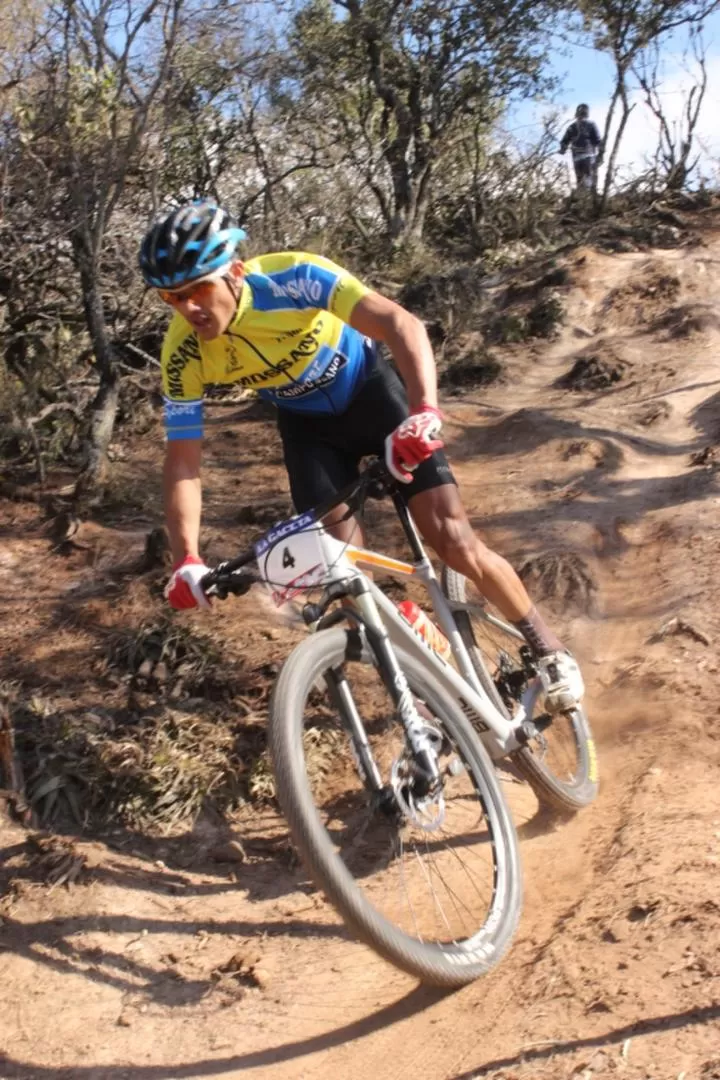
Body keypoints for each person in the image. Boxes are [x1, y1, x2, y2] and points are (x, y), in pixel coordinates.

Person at [138, 200, 584, 713]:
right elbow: (183, 463)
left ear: (235, 272)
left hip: (372, 395)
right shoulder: (184, 352)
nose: (188, 309)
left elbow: (400, 324)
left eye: (198, 289)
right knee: (342, 577)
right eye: (172, 298)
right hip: (308, 430)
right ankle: (427, 662)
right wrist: (187, 559)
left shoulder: (294, 278)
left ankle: (548, 648)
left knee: (453, 538)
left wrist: (423, 413)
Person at [560, 104, 602, 191]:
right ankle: (586, 198)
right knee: (587, 179)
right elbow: (598, 141)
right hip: (587, 156)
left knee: (581, 179)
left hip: (579, 157)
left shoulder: (572, 127)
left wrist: (563, 149)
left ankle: (584, 197)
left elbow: (564, 141)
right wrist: (600, 155)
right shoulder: (590, 125)